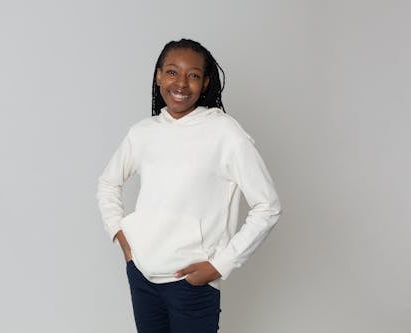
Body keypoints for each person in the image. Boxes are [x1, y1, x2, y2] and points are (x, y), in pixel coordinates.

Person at [96, 38, 282, 333]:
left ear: (206, 83)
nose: (181, 83)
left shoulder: (224, 133)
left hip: (191, 283)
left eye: (193, 75)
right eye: (172, 72)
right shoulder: (143, 133)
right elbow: (108, 183)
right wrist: (121, 236)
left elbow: (268, 206)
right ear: (158, 76)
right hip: (143, 276)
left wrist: (222, 264)